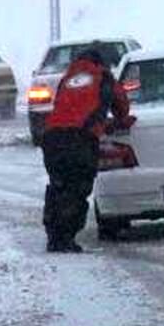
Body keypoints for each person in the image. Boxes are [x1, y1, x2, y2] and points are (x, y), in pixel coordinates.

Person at [40, 46, 134, 253]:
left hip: (52, 138)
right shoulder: (103, 76)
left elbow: (70, 110)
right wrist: (120, 121)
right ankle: (66, 238)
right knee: (77, 188)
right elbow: (121, 107)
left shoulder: (67, 79)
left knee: (58, 186)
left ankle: (54, 236)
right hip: (79, 139)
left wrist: (100, 123)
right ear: (101, 62)